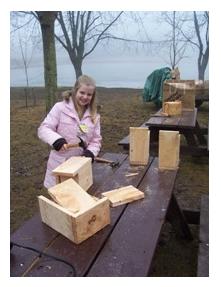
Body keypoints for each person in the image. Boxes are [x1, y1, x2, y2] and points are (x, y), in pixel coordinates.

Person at [38, 75, 102, 189]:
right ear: (75, 91)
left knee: (78, 199)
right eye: (82, 92)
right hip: (59, 166)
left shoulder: (94, 116)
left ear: (93, 96)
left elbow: (96, 141)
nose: (85, 97)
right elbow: (44, 128)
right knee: (58, 200)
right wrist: (56, 140)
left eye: (89, 94)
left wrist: (91, 153)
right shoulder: (60, 108)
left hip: (80, 167)